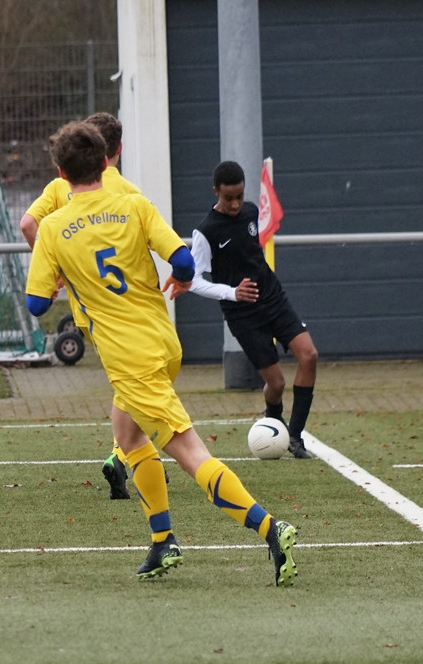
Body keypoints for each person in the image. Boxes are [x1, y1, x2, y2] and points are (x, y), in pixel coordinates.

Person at [24, 120, 298, 587]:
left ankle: (272, 529)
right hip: (164, 342)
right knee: (127, 436)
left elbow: (35, 305)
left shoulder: (52, 227)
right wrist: (180, 278)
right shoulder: (133, 203)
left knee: (189, 453)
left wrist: (61, 280)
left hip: (130, 358)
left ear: (61, 173)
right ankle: (162, 540)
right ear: (106, 161)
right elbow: (184, 261)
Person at [20, 112, 142, 501]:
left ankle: (138, 457)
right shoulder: (128, 193)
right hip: (130, 309)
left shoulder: (61, 185)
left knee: (128, 383)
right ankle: (125, 456)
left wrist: (53, 269)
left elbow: (28, 224)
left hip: (86, 309)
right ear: (116, 150)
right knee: (139, 383)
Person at [188, 160, 318, 459]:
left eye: (239, 196)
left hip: (273, 298)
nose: (236, 204)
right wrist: (231, 292)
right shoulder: (205, 232)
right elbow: (193, 281)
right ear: (215, 191)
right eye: (228, 198)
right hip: (242, 314)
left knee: (309, 355)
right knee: (276, 383)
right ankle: (273, 424)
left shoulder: (250, 212)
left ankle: (295, 437)